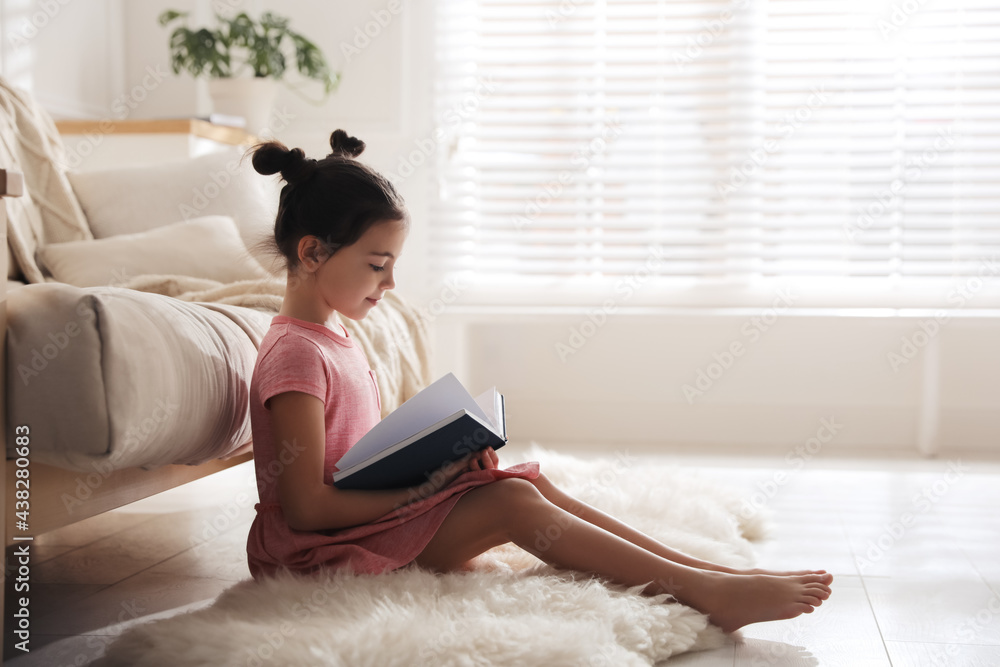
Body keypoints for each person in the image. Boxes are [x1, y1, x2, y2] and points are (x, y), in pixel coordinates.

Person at [245, 129, 833, 634]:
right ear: (313, 252)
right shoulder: (296, 355)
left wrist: (437, 466)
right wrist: (429, 489)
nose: (391, 284)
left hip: (362, 524)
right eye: (378, 266)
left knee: (524, 479)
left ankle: (715, 577)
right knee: (515, 503)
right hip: (315, 554)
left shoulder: (339, 338)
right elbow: (306, 509)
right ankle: (706, 593)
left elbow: (355, 460)